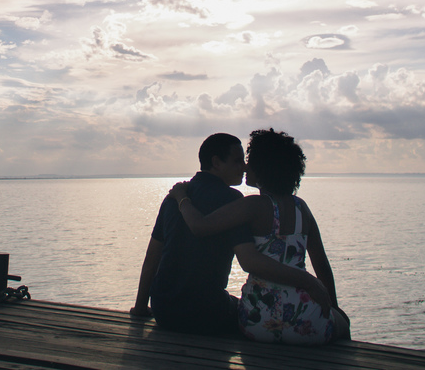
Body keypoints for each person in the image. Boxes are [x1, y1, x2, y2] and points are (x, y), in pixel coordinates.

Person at [131, 133, 332, 335]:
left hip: (163, 310)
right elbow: (248, 258)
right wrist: (310, 283)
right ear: (216, 163)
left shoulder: (173, 198)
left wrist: (140, 308)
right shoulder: (234, 200)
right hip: (206, 314)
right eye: (238, 161)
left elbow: (151, 259)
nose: (244, 167)